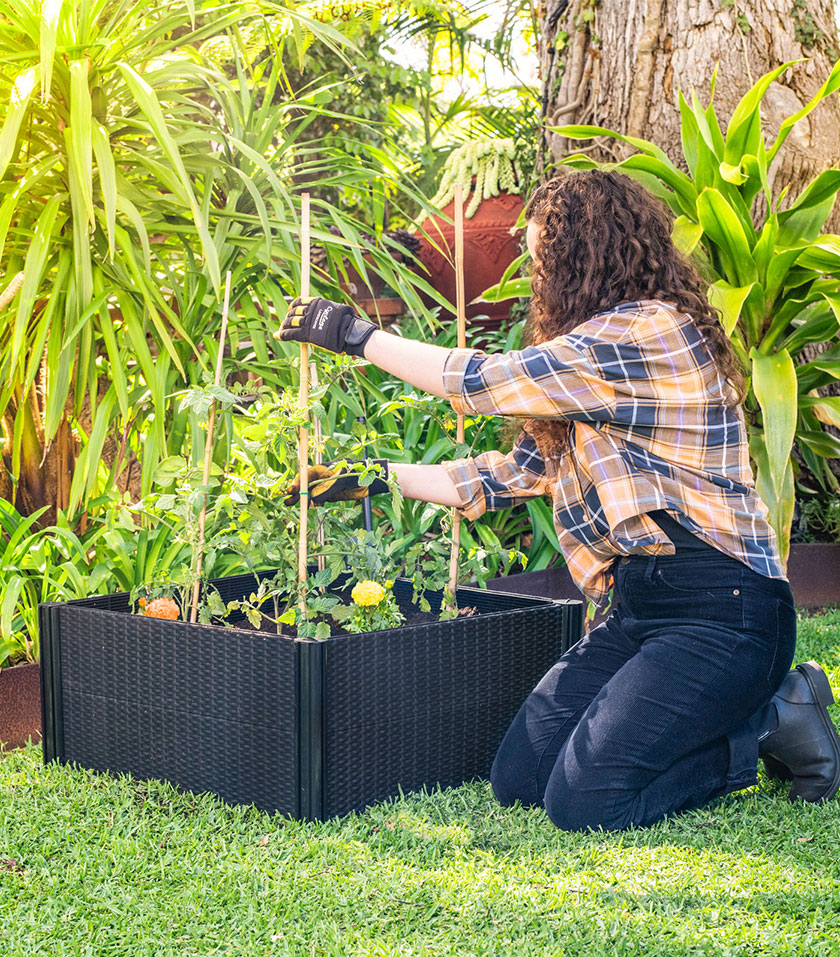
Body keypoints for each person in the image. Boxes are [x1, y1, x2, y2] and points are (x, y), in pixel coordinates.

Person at [278, 170, 840, 831]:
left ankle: (772, 721)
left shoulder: (647, 334)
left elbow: (481, 381)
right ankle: (744, 713)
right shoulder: (586, 365)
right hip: (641, 607)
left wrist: (356, 335)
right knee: (520, 779)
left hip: (724, 609)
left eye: (545, 255)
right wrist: (365, 475)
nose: (537, 271)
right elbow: (504, 476)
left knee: (586, 802)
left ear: (587, 253)